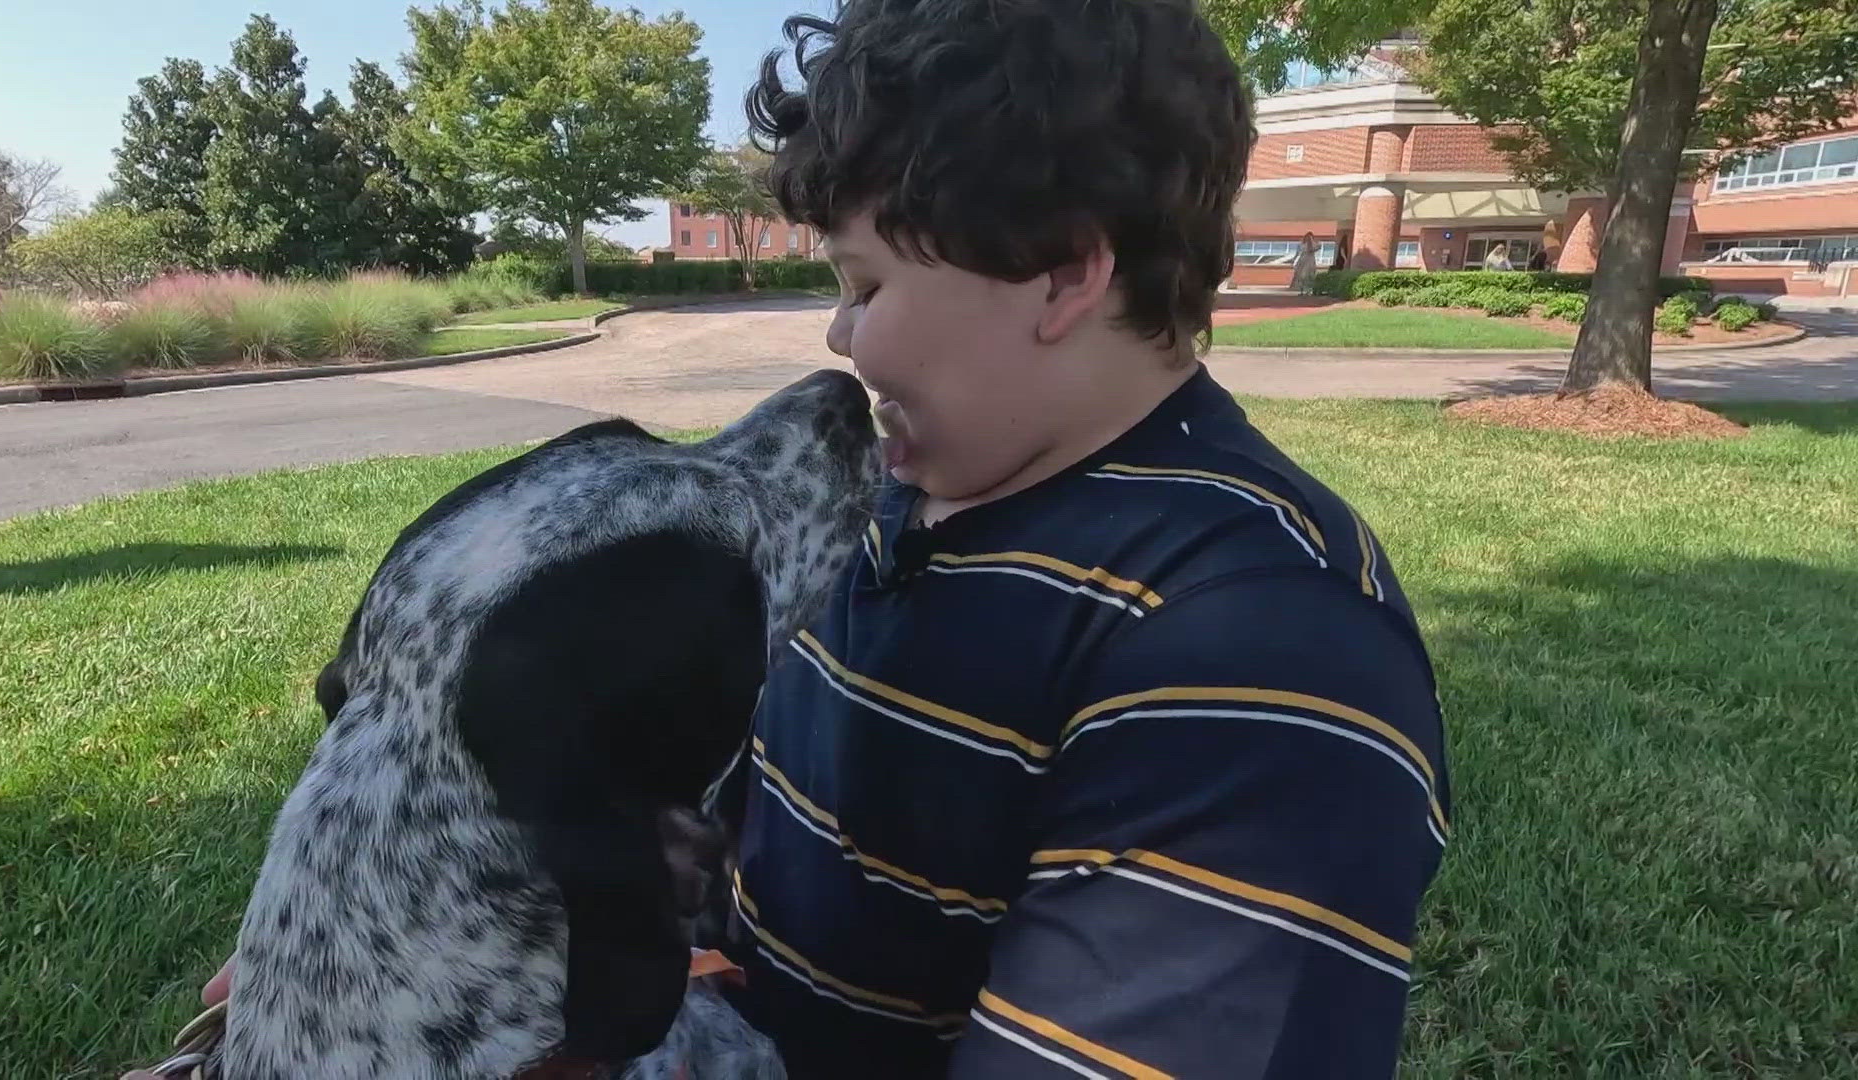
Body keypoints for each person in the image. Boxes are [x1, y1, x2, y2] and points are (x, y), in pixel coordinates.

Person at [135, 2, 1448, 1077]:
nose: (839, 341)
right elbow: (713, 830)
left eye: (865, 285)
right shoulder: (893, 515)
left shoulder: (1258, 651)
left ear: (1063, 271)